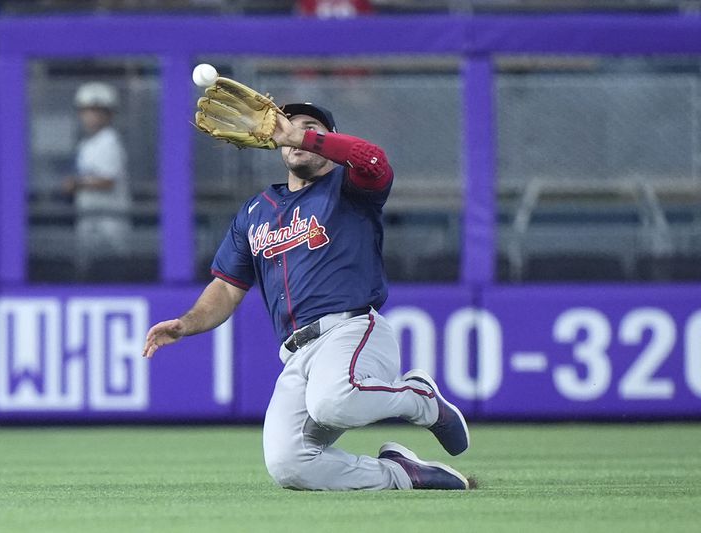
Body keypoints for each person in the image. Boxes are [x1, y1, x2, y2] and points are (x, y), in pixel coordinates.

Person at [142, 103, 472, 491]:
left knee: (333, 402)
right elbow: (228, 288)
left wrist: (300, 136)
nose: (293, 132)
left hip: (351, 331)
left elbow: (373, 159)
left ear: (328, 140)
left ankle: (421, 399)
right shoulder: (254, 212)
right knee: (289, 463)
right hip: (297, 353)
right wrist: (187, 323)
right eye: (288, 126)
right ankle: (404, 473)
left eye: (309, 127)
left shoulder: (350, 188)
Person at [63, 82, 132, 279]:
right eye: (86, 110)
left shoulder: (110, 141)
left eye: (97, 110)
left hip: (110, 220)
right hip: (89, 216)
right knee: (88, 269)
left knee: (112, 270)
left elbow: (108, 181)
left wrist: (76, 183)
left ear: (109, 114)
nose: (90, 116)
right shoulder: (87, 143)